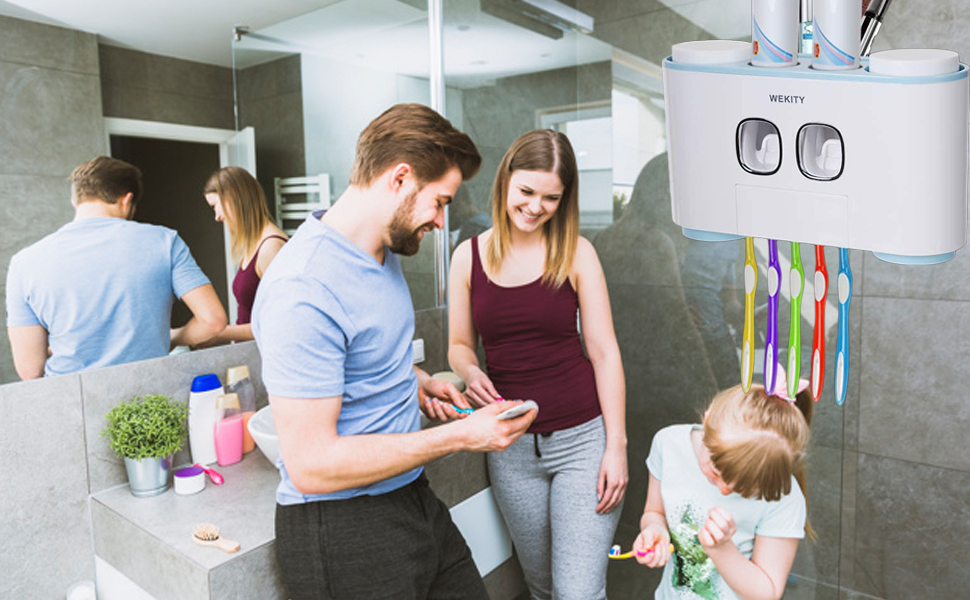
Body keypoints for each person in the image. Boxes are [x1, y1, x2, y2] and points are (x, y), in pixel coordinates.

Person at [250, 103, 536, 600]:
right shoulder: (302, 285)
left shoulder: (380, 251)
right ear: (400, 178)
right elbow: (311, 464)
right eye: (440, 202)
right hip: (341, 530)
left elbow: (364, 350)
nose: (443, 222)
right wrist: (461, 437)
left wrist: (417, 381)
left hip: (408, 499)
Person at [447, 129, 628, 600]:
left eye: (551, 198)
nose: (535, 206)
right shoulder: (467, 257)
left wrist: (617, 447)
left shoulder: (576, 253)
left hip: (582, 442)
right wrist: (470, 372)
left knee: (578, 594)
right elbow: (460, 345)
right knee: (543, 588)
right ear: (506, 180)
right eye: (526, 191)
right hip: (509, 447)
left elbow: (604, 351)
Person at [5, 156, 227, 379]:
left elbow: (29, 369)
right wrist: (172, 338)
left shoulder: (23, 263)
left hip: (72, 400)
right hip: (149, 396)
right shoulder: (164, 241)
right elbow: (213, 321)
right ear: (127, 200)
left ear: (76, 200)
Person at [633, 376, 814, 600]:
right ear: (708, 423)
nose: (724, 490)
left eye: (744, 488)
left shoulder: (783, 496)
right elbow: (654, 512)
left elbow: (767, 593)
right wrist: (655, 530)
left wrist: (722, 548)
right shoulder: (668, 444)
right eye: (716, 475)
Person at [193, 166, 287, 344]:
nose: (217, 217)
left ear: (233, 197)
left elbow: (278, 323)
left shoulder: (271, 247)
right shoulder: (254, 243)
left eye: (215, 206)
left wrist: (217, 333)